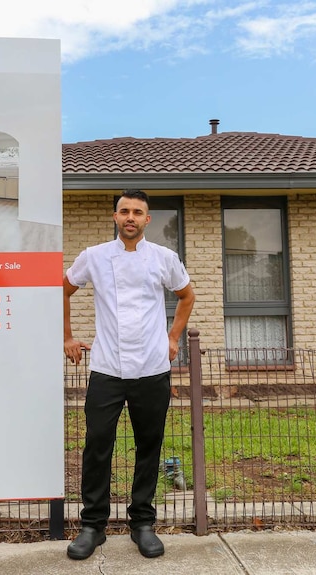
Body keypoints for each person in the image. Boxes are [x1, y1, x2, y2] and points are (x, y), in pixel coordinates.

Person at [63, 189, 195, 560]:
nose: (131, 217)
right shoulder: (94, 257)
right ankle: (93, 526)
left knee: (148, 446)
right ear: (115, 217)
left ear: (147, 220)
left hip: (152, 369)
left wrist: (172, 337)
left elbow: (187, 296)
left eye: (138, 212)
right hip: (106, 367)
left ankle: (142, 523)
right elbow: (64, 289)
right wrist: (68, 337)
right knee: (97, 444)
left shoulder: (164, 258)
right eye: (124, 211)